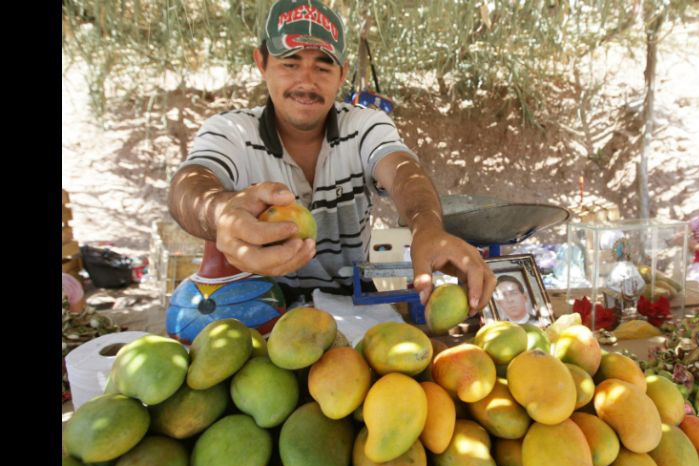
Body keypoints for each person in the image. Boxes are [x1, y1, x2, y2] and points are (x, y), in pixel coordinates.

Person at [168, 0, 496, 314]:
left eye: (323, 67)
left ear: (342, 74)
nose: (306, 82)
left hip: (353, 308)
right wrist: (221, 212)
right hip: (259, 311)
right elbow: (190, 186)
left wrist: (428, 227)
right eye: (290, 63)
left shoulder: (366, 125)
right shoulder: (231, 131)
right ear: (261, 63)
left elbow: (401, 171)